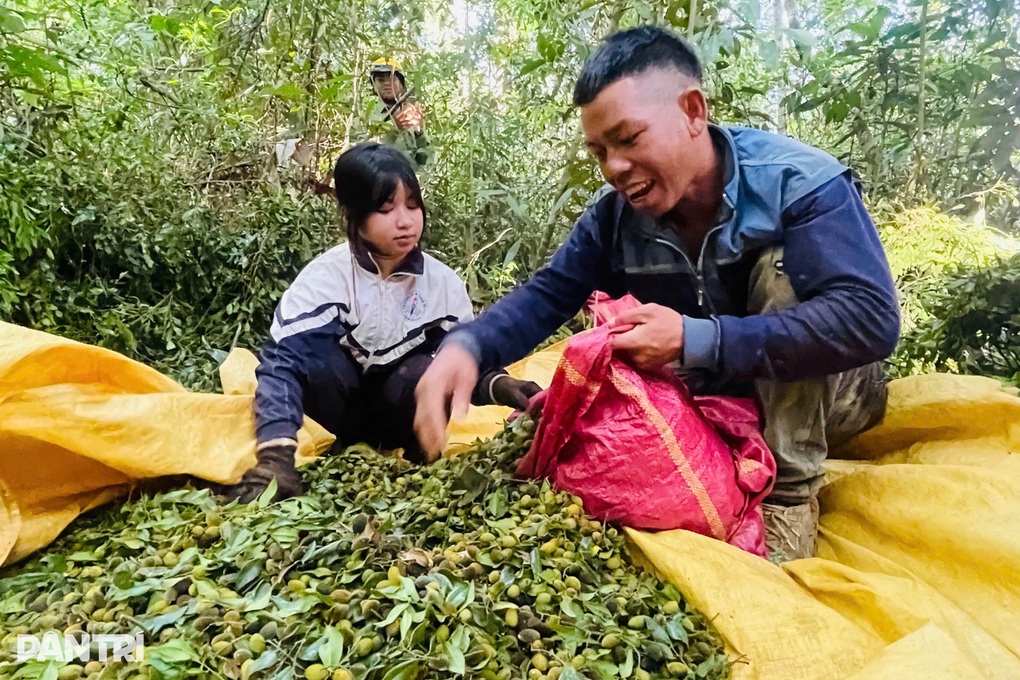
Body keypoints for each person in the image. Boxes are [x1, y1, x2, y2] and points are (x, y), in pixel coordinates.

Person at [413, 26, 900, 562]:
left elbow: (869, 317)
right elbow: (550, 293)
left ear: (693, 112)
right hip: (724, 398)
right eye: (600, 151)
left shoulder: (798, 183)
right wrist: (468, 347)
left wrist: (694, 338)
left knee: (780, 270)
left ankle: (788, 493)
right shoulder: (616, 219)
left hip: (833, 401)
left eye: (628, 138)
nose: (613, 168)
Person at [225, 142, 539, 504]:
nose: (405, 221)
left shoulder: (442, 285)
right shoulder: (326, 279)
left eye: (412, 205)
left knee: (427, 368)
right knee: (315, 361)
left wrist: (503, 386)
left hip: (398, 426)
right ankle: (320, 456)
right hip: (330, 419)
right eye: (386, 209)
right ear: (354, 217)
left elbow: (462, 367)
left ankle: (420, 458)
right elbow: (283, 367)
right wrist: (276, 459)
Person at [370, 58, 430, 168]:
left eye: (392, 79)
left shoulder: (413, 114)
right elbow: (362, 155)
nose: (387, 83)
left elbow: (425, 161)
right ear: (374, 86)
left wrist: (420, 132)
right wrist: (394, 130)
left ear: (402, 84)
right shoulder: (366, 115)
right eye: (381, 80)